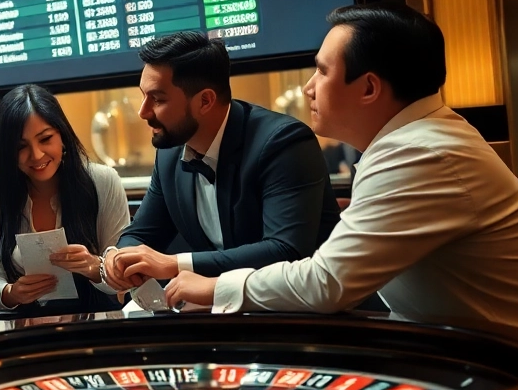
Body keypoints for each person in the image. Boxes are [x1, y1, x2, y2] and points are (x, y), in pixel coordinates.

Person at [165, 4, 518, 327]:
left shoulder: (418, 153)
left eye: (322, 72)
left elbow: (327, 283)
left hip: (499, 359)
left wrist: (216, 288)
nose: (308, 88)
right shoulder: (420, 138)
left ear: (368, 88)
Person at [102, 31, 340, 292]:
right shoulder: (170, 153)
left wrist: (175, 264)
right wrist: (118, 257)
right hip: (221, 310)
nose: (143, 111)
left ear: (205, 101)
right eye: (143, 96)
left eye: (157, 99)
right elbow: (141, 234)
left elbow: (285, 250)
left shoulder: (283, 143)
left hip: (306, 308)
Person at [0, 85, 130, 314]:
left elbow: (124, 278)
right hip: (27, 325)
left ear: (63, 136)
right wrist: (11, 293)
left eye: (45, 139)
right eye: (21, 147)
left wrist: (94, 267)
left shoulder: (103, 181)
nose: (36, 154)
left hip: (96, 321)